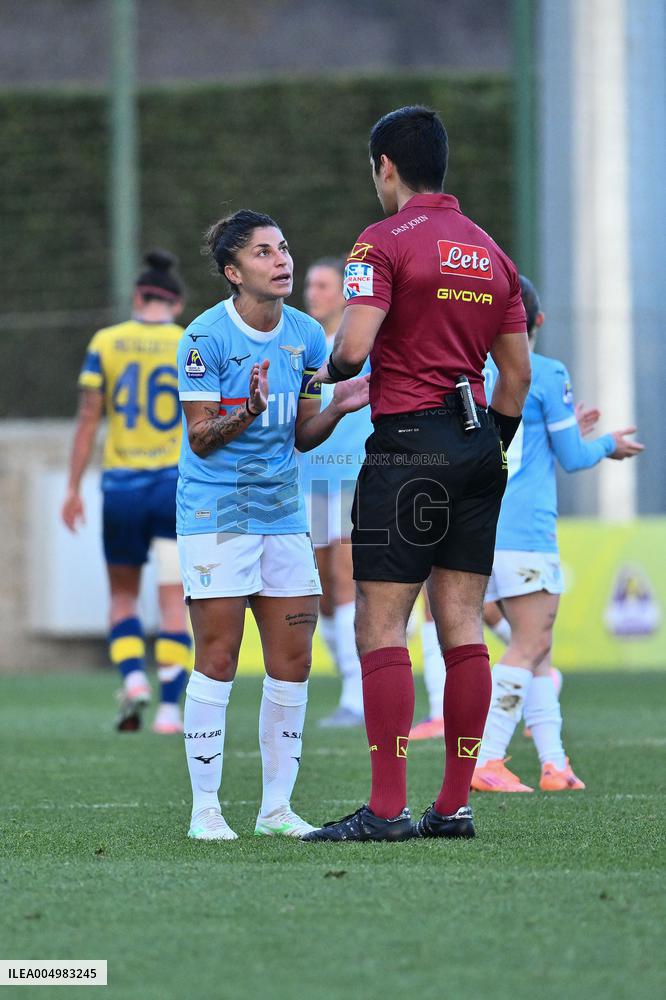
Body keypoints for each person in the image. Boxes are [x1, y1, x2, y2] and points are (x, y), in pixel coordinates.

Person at [301, 105, 531, 843]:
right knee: (461, 620)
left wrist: (319, 374)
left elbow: (352, 350)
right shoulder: (492, 253)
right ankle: (454, 806)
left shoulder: (381, 242)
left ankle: (387, 808)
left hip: (407, 447)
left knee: (381, 621)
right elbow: (517, 377)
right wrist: (484, 446)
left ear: (386, 167)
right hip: (478, 446)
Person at [176, 209, 370, 841]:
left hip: (282, 511)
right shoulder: (204, 338)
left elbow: (303, 434)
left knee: (293, 659)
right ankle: (206, 810)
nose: (281, 259)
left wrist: (338, 407)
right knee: (219, 656)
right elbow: (201, 438)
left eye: (283, 247)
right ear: (233, 271)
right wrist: (249, 410)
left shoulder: (307, 336)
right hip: (218, 511)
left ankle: (276, 810)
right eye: (263, 252)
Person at [472, 275, 644, 792]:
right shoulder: (545, 371)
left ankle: (555, 764)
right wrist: (607, 445)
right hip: (525, 531)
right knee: (529, 645)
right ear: (539, 320)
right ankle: (488, 759)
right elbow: (573, 457)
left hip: (475, 528)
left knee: (538, 649)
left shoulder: (472, 370)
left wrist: (568, 428)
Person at [409, 395, 599, 742]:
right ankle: (527, 672)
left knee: (457, 600)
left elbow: (567, 453)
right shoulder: (498, 376)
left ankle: (528, 671)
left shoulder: (516, 376)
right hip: (466, 492)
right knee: (448, 600)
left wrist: (591, 441)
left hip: (486, 503)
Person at [62, 251, 193, 734]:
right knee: (173, 601)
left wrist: (73, 487)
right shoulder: (187, 342)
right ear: (176, 304)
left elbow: (88, 419)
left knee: (122, 595)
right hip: (173, 486)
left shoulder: (107, 341)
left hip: (121, 488)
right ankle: (169, 711)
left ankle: (134, 679)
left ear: (138, 298)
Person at [299, 257, 373, 727]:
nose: (313, 293)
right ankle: (349, 683)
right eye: (310, 285)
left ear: (345, 294)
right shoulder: (304, 348)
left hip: (350, 474)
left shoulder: (359, 347)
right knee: (322, 589)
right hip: (309, 478)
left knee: (346, 577)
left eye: (323, 285)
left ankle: (356, 694)